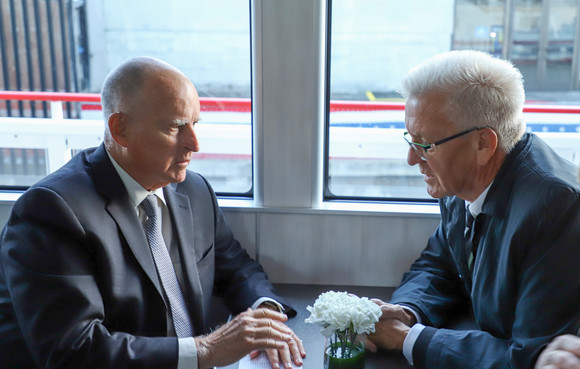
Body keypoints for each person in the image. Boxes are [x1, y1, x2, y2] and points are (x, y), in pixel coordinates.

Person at [0, 56, 305, 369]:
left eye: (195, 125)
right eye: (175, 127)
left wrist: (265, 314)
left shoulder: (194, 190)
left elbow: (235, 265)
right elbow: (74, 351)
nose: (194, 145)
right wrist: (205, 350)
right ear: (120, 129)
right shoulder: (51, 211)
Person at [365, 50, 580, 368]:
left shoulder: (557, 206)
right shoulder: (459, 179)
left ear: (483, 144)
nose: (412, 158)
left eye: (425, 143)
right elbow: (441, 266)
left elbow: (530, 356)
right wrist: (407, 311)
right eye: (410, 139)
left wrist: (406, 339)